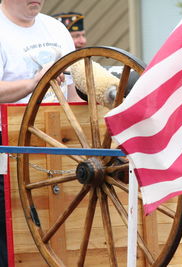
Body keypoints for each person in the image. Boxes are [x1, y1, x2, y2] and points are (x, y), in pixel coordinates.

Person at [0, 0, 81, 265]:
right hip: (9, 147)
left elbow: (71, 89)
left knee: (58, 227)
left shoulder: (56, 28)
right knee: (11, 235)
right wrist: (36, 81)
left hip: (57, 143)